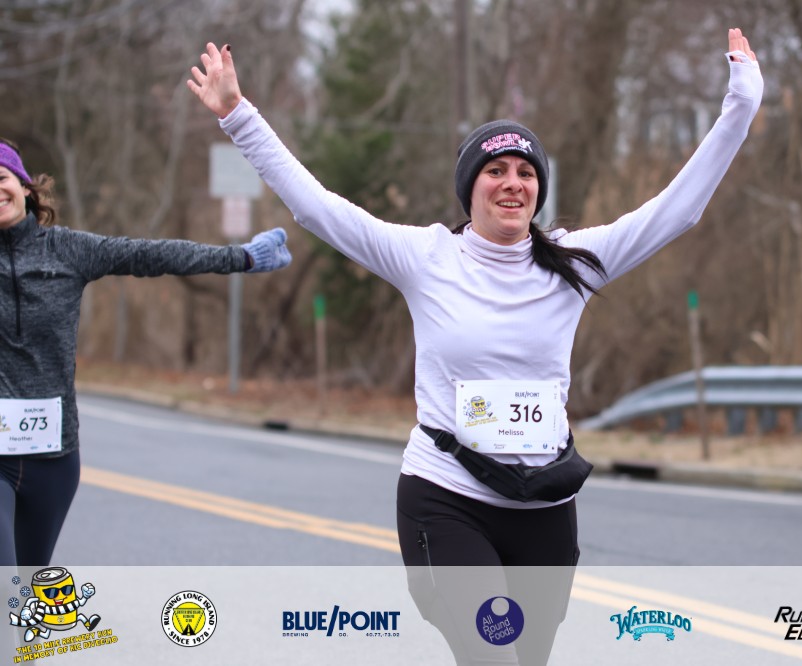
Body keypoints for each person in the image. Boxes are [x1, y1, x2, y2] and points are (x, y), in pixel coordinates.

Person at [189, 27, 762, 664]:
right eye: (496, 171)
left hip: (545, 505)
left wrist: (741, 106)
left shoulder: (573, 264)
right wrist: (238, 116)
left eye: (525, 172)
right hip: (447, 499)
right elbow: (318, 208)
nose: (512, 183)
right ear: (471, 187)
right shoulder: (427, 258)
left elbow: (677, 210)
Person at [0, 137, 292, 569]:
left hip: (55, 457)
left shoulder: (67, 250)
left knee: (25, 587)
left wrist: (242, 257)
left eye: (1, 178)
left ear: (25, 187)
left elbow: (149, 255)